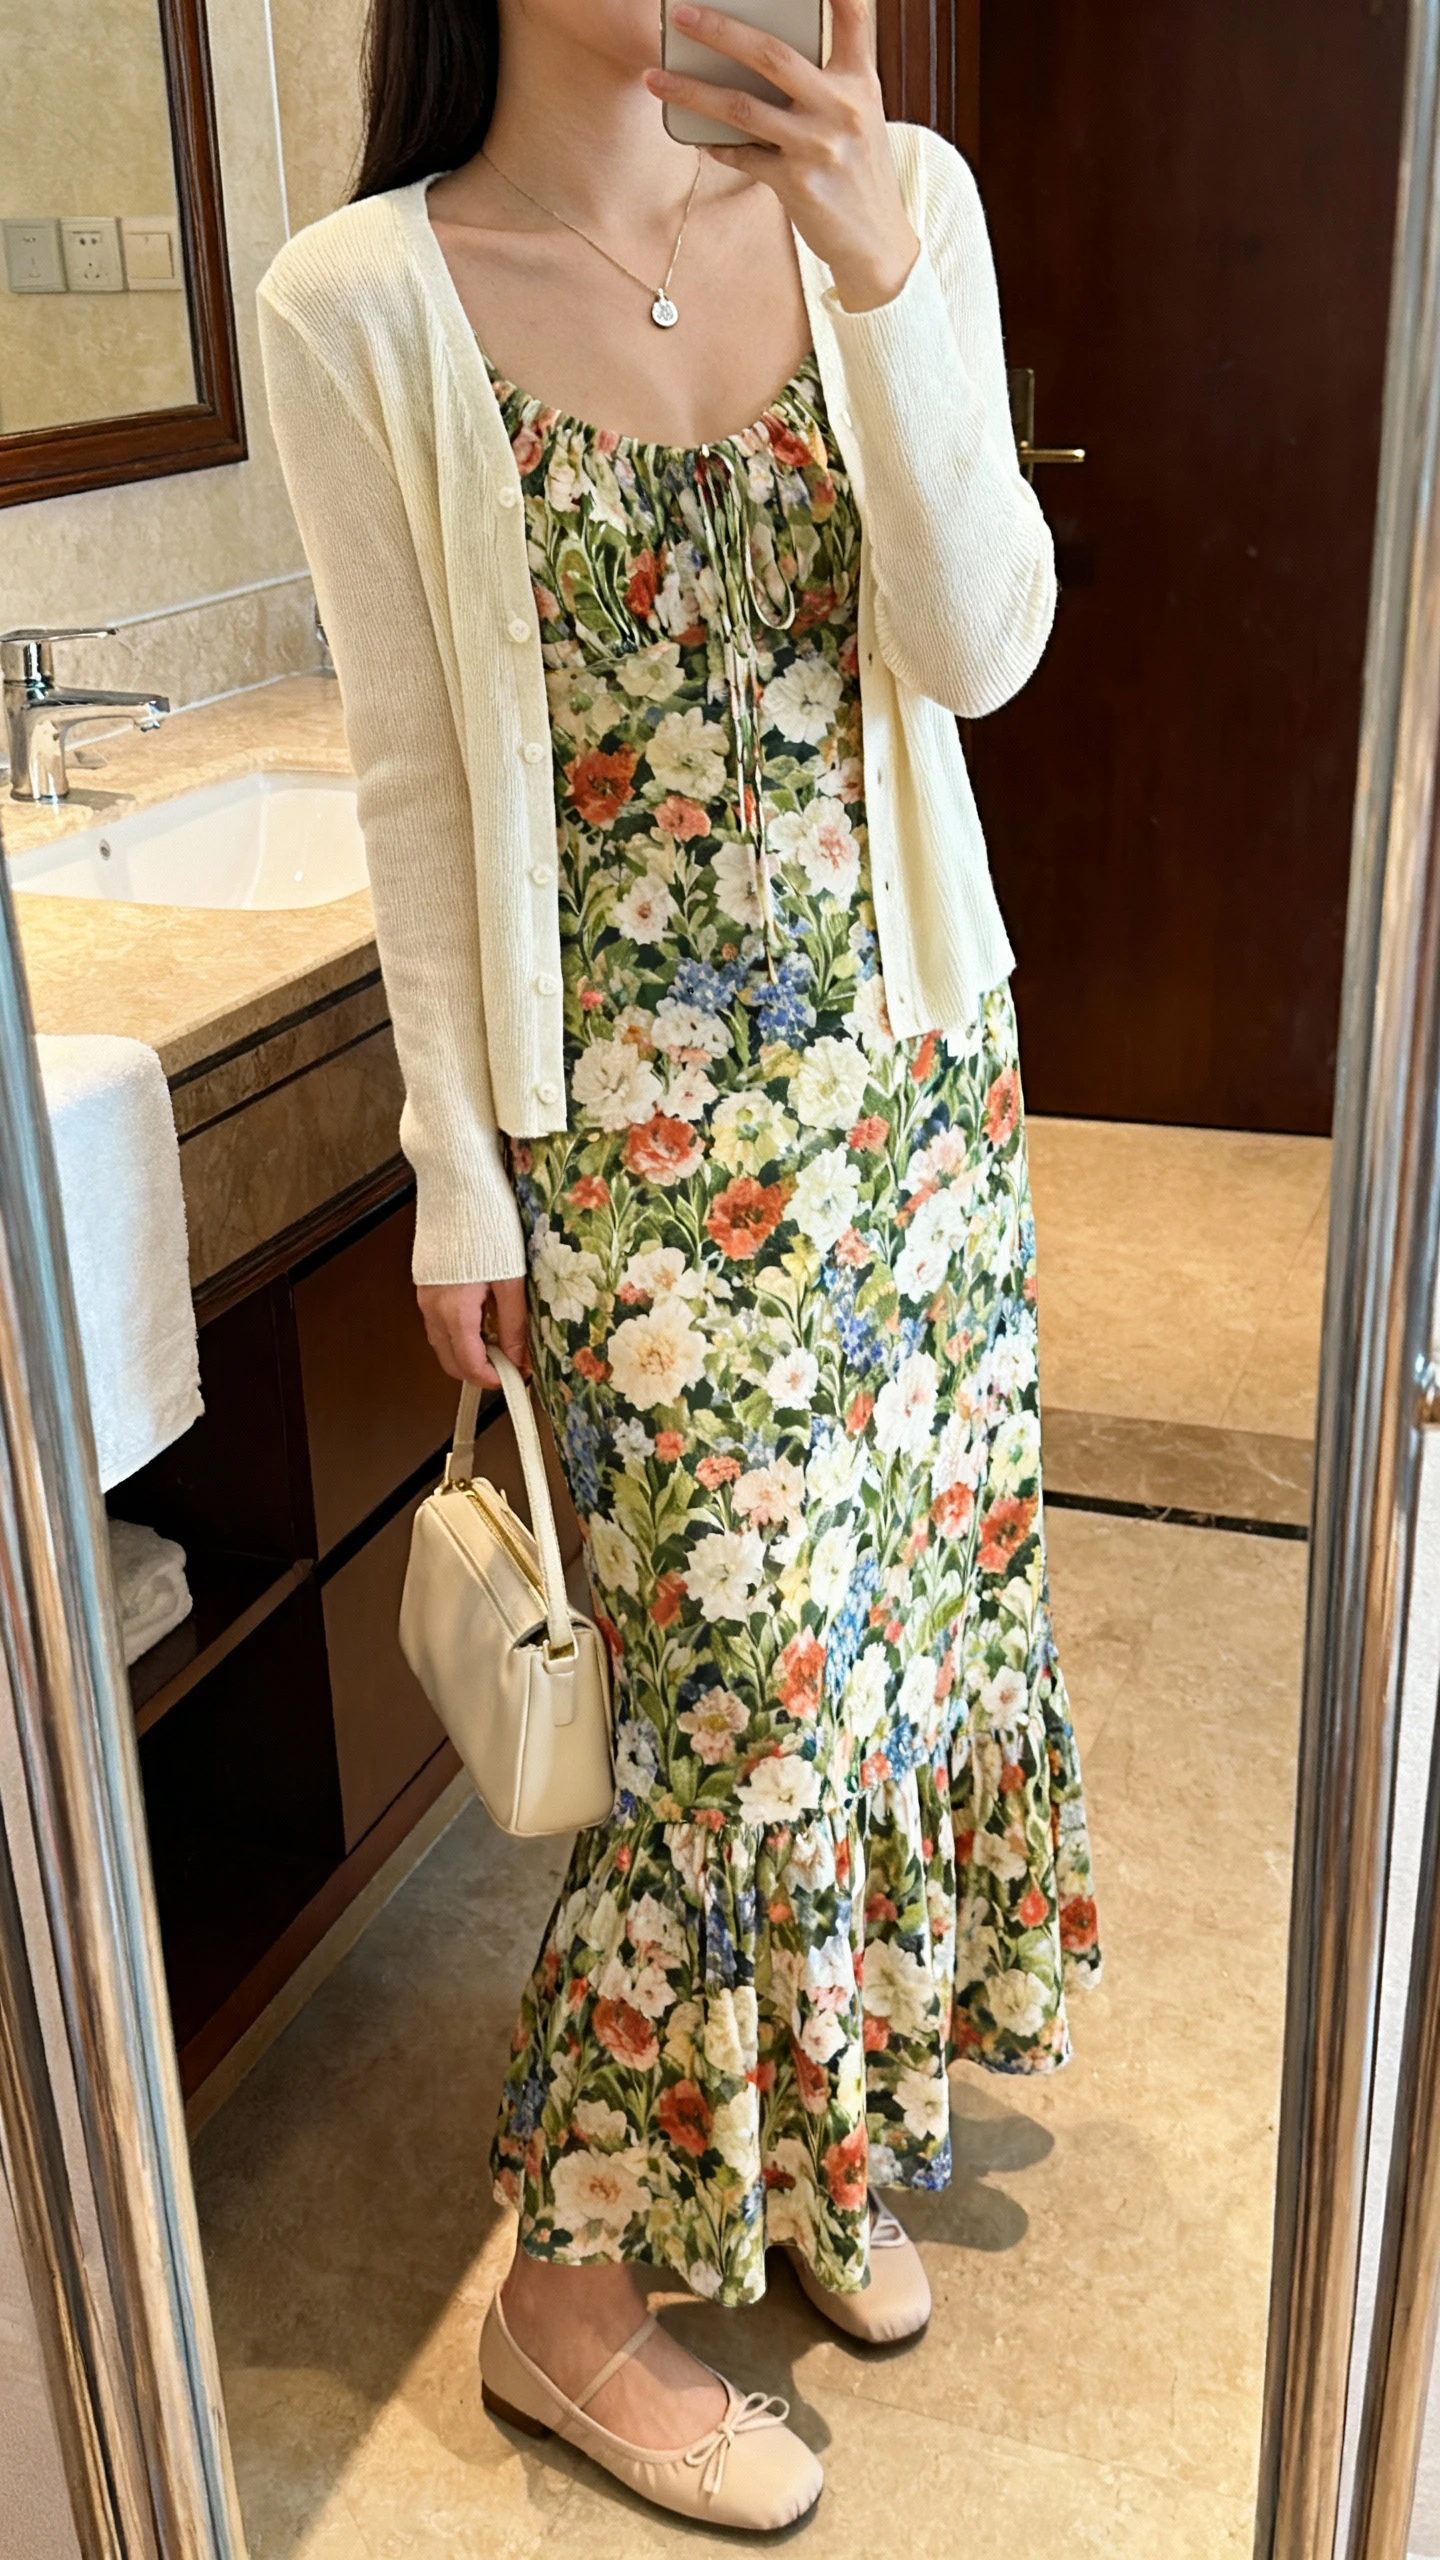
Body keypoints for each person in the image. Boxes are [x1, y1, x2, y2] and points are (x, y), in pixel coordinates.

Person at [259, 0, 1100, 2528]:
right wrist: (452, 1168)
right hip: (622, 1138)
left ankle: (811, 2161)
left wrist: (878, 278)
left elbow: (990, 644)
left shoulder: (893, 201)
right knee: (731, 1702)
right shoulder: (358, 303)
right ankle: (566, 2291)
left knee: (892, 1645)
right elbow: (413, 763)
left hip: (912, 1090)